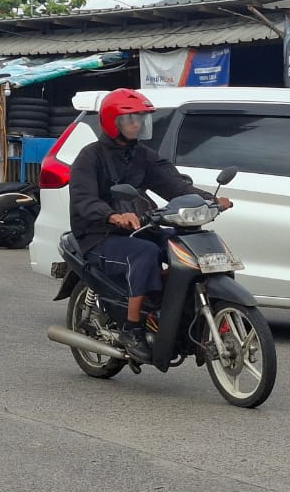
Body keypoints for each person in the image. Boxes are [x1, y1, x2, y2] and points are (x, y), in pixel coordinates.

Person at [68, 88, 231, 362]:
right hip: (98, 235)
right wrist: (112, 215)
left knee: (187, 246)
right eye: (130, 119)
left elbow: (174, 184)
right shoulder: (90, 156)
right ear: (112, 122)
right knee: (145, 253)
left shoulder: (143, 155)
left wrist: (209, 200)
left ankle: (172, 309)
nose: (137, 124)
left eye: (140, 119)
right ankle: (132, 329)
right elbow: (84, 199)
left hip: (139, 227)